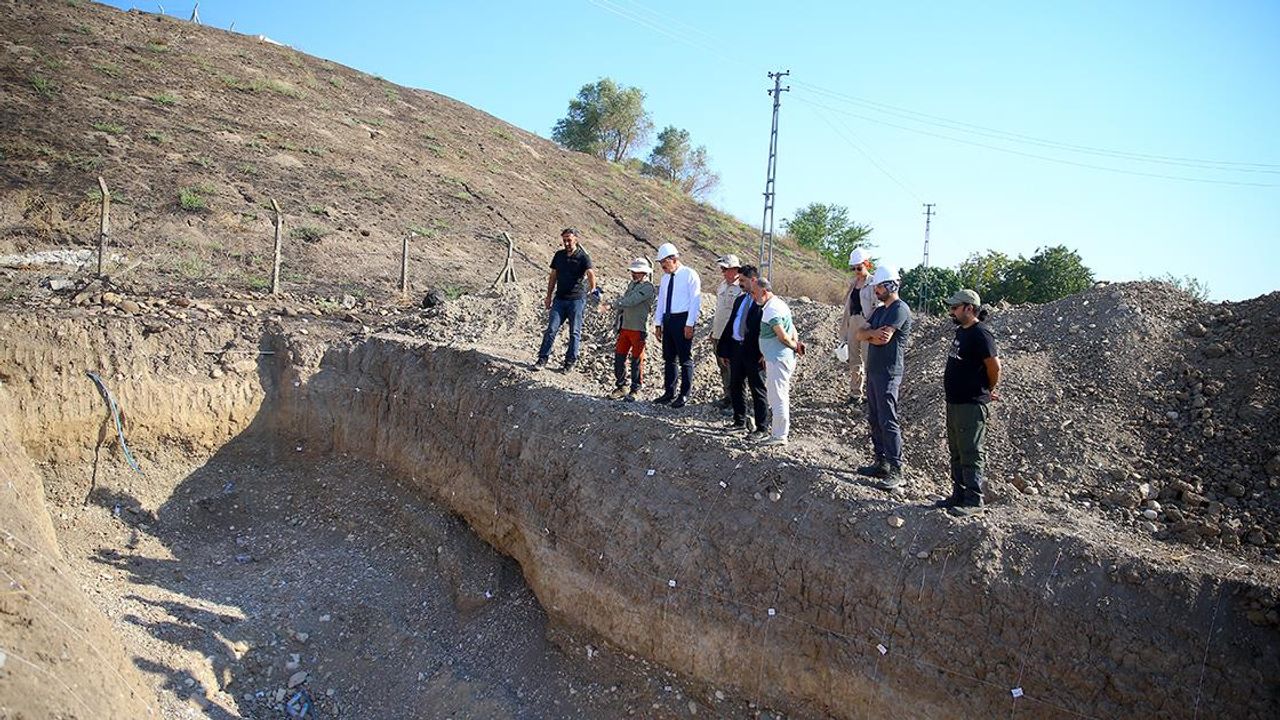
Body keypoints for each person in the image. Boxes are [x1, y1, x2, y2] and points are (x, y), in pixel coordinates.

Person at [938, 289, 1001, 516]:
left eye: (955, 307)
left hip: (971, 403)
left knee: (971, 451)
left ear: (969, 308)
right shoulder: (961, 332)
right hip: (954, 402)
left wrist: (987, 389)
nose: (951, 311)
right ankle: (958, 494)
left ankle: (974, 500)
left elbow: (994, 368)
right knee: (956, 449)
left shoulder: (980, 334)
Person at [855, 265, 913, 489]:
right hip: (874, 370)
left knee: (888, 420)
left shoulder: (899, 309)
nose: (876, 290)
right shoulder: (879, 311)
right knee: (875, 418)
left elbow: (884, 339)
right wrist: (871, 334)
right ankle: (881, 463)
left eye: (878, 286)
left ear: (890, 285)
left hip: (889, 373)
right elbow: (860, 333)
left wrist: (870, 335)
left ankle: (896, 469)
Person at [534, 228, 595, 372]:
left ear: (576, 239)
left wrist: (592, 288)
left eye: (569, 239)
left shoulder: (583, 257)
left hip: (576, 300)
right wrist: (548, 296)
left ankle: (569, 363)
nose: (567, 243)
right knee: (551, 329)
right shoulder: (559, 256)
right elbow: (553, 276)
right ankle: (542, 359)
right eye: (564, 240)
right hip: (559, 299)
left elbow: (591, 272)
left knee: (574, 332)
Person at [651, 242, 702, 408]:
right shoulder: (666, 278)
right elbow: (661, 302)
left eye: (664, 263)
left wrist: (690, 324)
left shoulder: (689, 274)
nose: (662, 267)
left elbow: (695, 301)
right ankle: (669, 392)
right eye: (660, 264)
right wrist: (658, 323)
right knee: (669, 358)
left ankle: (684, 394)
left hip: (683, 319)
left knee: (685, 358)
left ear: (673, 259)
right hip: (669, 319)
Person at [755, 278, 805, 446]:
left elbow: (783, 336)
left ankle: (779, 435)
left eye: (755, 292)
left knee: (778, 397)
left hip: (779, 359)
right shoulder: (778, 304)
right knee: (777, 395)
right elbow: (793, 328)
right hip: (775, 357)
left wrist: (794, 346)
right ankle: (778, 433)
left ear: (764, 291)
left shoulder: (772, 310)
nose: (753, 296)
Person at [719, 265, 767, 436]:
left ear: (753, 280)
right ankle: (739, 422)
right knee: (736, 386)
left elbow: (766, 329)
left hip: (755, 353)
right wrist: (724, 350)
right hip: (737, 349)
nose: (740, 283)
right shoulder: (740, 299)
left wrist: (765, 353)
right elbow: (732, 323)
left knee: (757, 389)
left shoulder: (763, 301)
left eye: (743, 281)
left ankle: (762, 428)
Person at [608, 258, 658, 401]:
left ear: (644, 273)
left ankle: (635, 389)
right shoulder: (632, 285)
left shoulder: (648, 288)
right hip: (626, 328)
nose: (634, 274)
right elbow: (626, 303)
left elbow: (631, 301)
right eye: (633, 272)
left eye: (637, 272)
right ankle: (621, 386)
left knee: (636, 360)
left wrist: (613, 305)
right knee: (619, 357)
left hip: (638, 329)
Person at [840, 248, 880, 403]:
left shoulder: (873, 283)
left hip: (867, 323)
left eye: (859, 268)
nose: (856, 271)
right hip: (853, 322)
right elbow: (848, 307)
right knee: (854, 360)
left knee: (868, 359)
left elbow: (877, 307)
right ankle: (855, 393)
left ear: (867, 265)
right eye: (853, 268)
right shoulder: (853, 284)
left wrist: (871, 327)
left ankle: (872, 395)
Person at [709, 255, 744, 416]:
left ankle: (737, 402)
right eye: (722, 269)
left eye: (725, 269)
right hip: (718, 334)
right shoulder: (722, 286)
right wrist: (714, 331)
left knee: (733, 370)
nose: (722, 272)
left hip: (731, 336)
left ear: (735, 269)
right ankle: (728, 397)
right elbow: (720, 311)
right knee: (723, 369)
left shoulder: (741, 288)